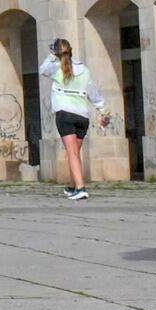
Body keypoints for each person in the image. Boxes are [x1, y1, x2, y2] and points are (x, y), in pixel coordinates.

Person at [39, 38, 111, 200]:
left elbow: (42, 70)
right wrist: (102, 110)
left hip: (65, 114)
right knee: (76, 153)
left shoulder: (56, 68)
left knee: (71, 152)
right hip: (82, 115)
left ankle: (81, 188)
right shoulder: (84, 69)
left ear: (56, 52)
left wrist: (51, 56)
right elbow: (93, 92)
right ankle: (72, 186)